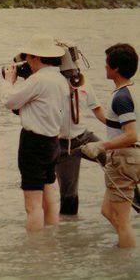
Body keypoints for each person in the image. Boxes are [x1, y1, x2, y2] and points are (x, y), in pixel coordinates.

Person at [2, 34, 70, 232]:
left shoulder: (39, 80)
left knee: (32, 206)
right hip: (52, 142)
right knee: (49, 199)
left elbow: (9, 101)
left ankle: (36, 251)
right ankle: (51, 241)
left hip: (33, 143)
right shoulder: (59, 79)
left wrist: (8, 80)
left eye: (28, 57)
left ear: (37, 57)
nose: (27, 62)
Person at [82, 43, 139, 248]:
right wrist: (92, 103)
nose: (104, 67)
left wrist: (101, 146)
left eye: (107, 64)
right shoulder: (130, 91)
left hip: (124, 158)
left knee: (122, 221)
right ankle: (123, 252)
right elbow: (116, 124)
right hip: (129, 158)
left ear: (115, 69)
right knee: (107, 211)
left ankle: (127, 261)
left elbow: (131, 135)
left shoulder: (121, 98)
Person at [56, 79, 107, 215]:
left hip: (84, 136)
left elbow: (96, 108)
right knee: (68, 195)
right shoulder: (52, 84)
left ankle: (136, 205)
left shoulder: (84, 83)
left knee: (115, 160)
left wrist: (116, 125)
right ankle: (69, 230)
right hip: (63, 144)